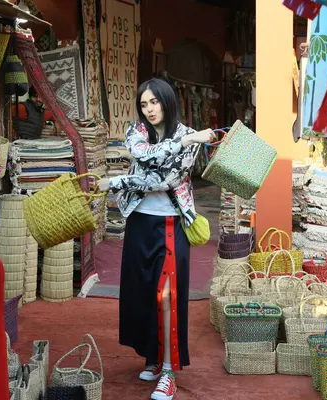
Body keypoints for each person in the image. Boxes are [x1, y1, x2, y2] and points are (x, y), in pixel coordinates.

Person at [97, 78, 215, 400]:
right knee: (143, 291)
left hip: (172, 223)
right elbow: (144, 156)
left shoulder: (187, 135)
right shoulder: (137, 132)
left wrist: (117, 181)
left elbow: (166, 179)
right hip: (139, 222)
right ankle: (151, 355)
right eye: (144, 104)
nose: (149, 109)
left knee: (167, 296)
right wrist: (186, 140)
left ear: (167, 101)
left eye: (154, 102)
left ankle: (168, 371)